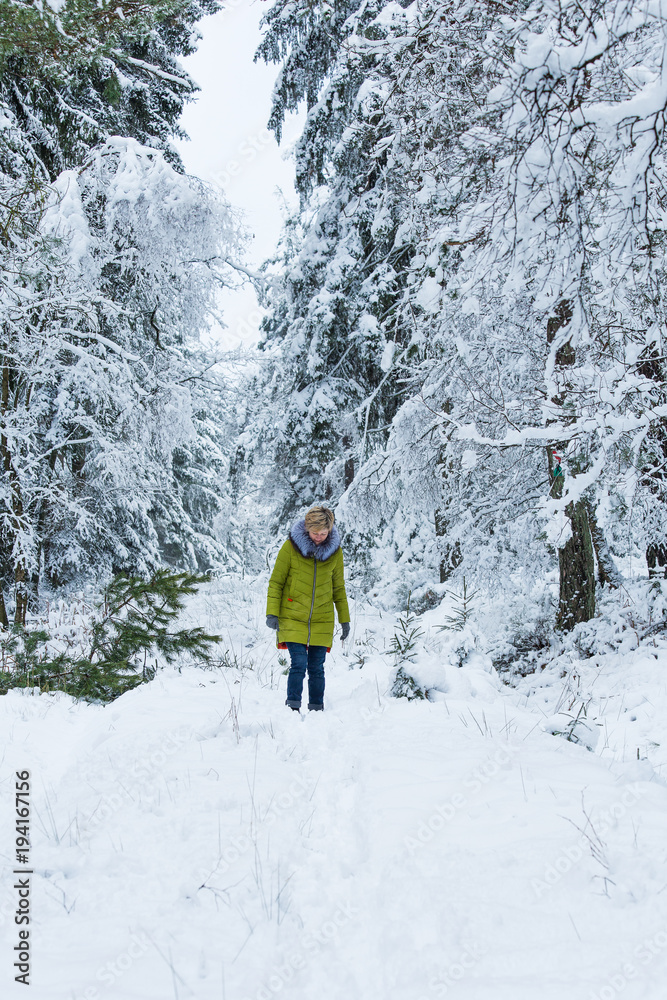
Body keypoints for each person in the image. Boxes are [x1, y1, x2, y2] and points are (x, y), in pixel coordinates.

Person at [266, 505, 350, 712]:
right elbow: (276, 582)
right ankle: (292, 708)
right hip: (292, 615)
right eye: (315, 533)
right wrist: (272, 612)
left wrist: (344, 619)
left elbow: (338, 587)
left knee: (316, 667)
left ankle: (316, 709)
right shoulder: (290, 548)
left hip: (322, 618)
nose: (319, 537)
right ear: (306, 529)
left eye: (323, 533)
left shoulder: (335, 552)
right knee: (299, 663)